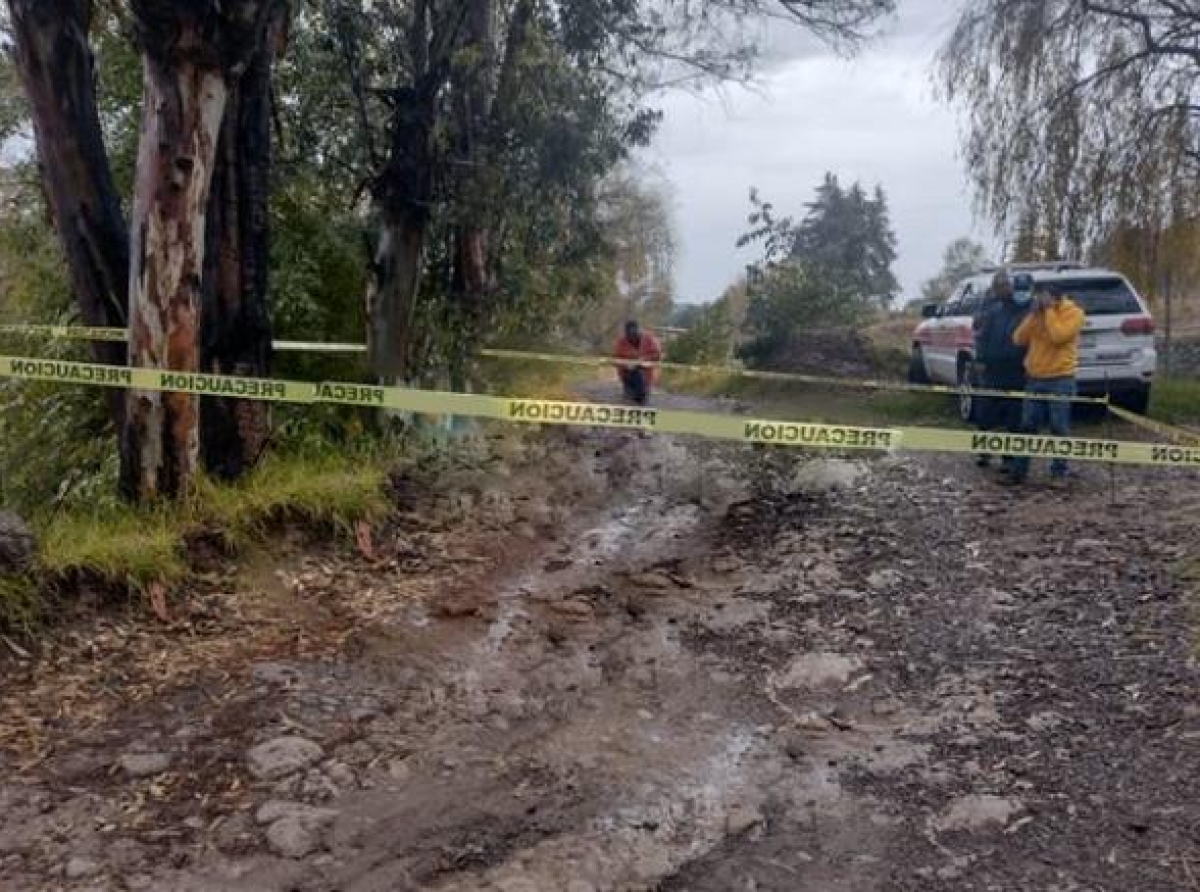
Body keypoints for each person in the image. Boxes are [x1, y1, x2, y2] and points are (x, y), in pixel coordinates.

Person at [1004, 283, 1086, 485]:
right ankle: (1018, 472)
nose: (1039, 301)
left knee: (1059, 426)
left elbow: (1059, 337)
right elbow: (1018, 339)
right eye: (1038, 297)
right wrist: (1033, 316)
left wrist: (1049, 310)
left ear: (1055, 298)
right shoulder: (1037, 314)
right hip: (1035, 378)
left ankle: (1059, 473)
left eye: (1043, 297)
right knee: (1027, 425)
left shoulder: (1074, 313)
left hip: (1060, 378)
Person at [972, 270, 1031, 469]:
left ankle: (1009, 458)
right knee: (985, 415)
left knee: (1014, 418)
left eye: (1005, 286)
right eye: (999, 287)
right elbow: (982, 337)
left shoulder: (1028, 311)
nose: (1003, 290)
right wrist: (980, 359)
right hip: (991, 370)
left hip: (1017, 371)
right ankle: (984, 452)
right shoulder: (993, 311)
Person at [612, 320, 662, 405]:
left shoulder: (649, 339)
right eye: (630, 335)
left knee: (642, 403)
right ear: (626, 333)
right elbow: (615, 359)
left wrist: (644, 359)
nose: (632, 337)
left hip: (646, 377)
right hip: (627, 376)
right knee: (628, 403)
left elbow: (657, 355)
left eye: (634, 334)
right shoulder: (621, 342)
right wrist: (626, 365)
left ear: (638, 331)